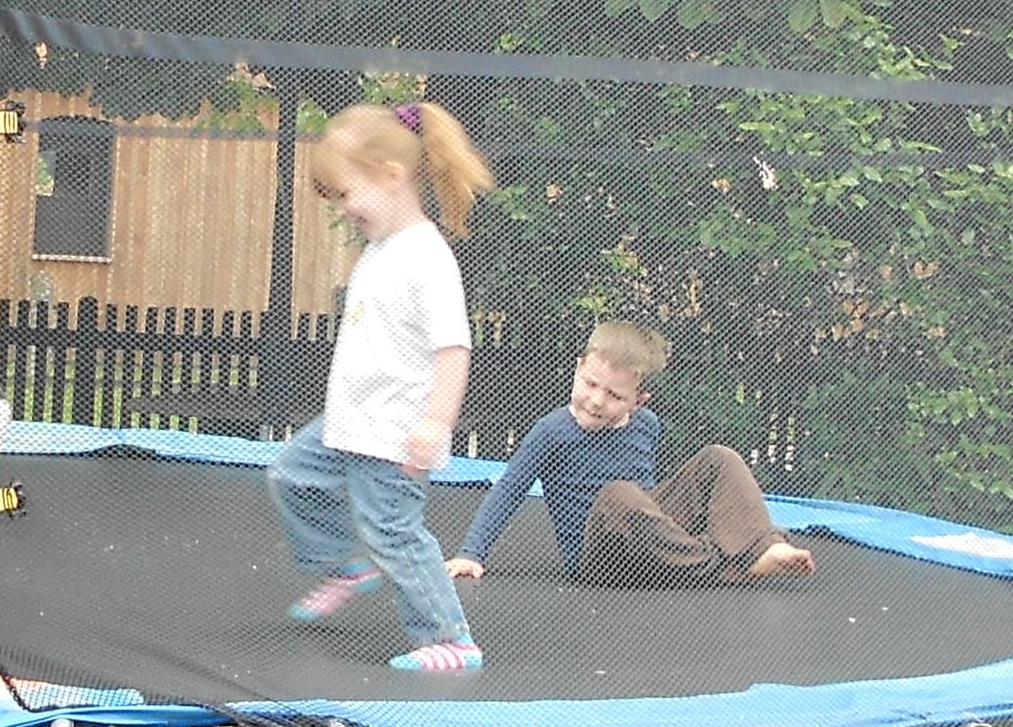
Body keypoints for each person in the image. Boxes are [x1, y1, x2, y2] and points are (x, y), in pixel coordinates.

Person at [269, 99, 494, 674]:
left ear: (392, 177)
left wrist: (436, 422)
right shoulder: (380, 249)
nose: (343, 209)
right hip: (348, 423)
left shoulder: (427, 256)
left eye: (346, 194)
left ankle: (449, 639)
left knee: (395, 533)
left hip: (393, 432)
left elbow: (452, 348)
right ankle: (345, 560)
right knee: (290, 473)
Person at [450, 320, 816, 590]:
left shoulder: (646, 425)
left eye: (614, 396)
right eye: (590, 384)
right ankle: (728, 563)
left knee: (719, 458)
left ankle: (764, 546)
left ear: (638, 401)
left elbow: (649, 499)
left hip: (647, 549)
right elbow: (509, 490)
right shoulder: (552, 431)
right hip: (598, 562)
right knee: (618, 494)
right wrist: (472, 553)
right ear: (578, 368)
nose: (596, 400)